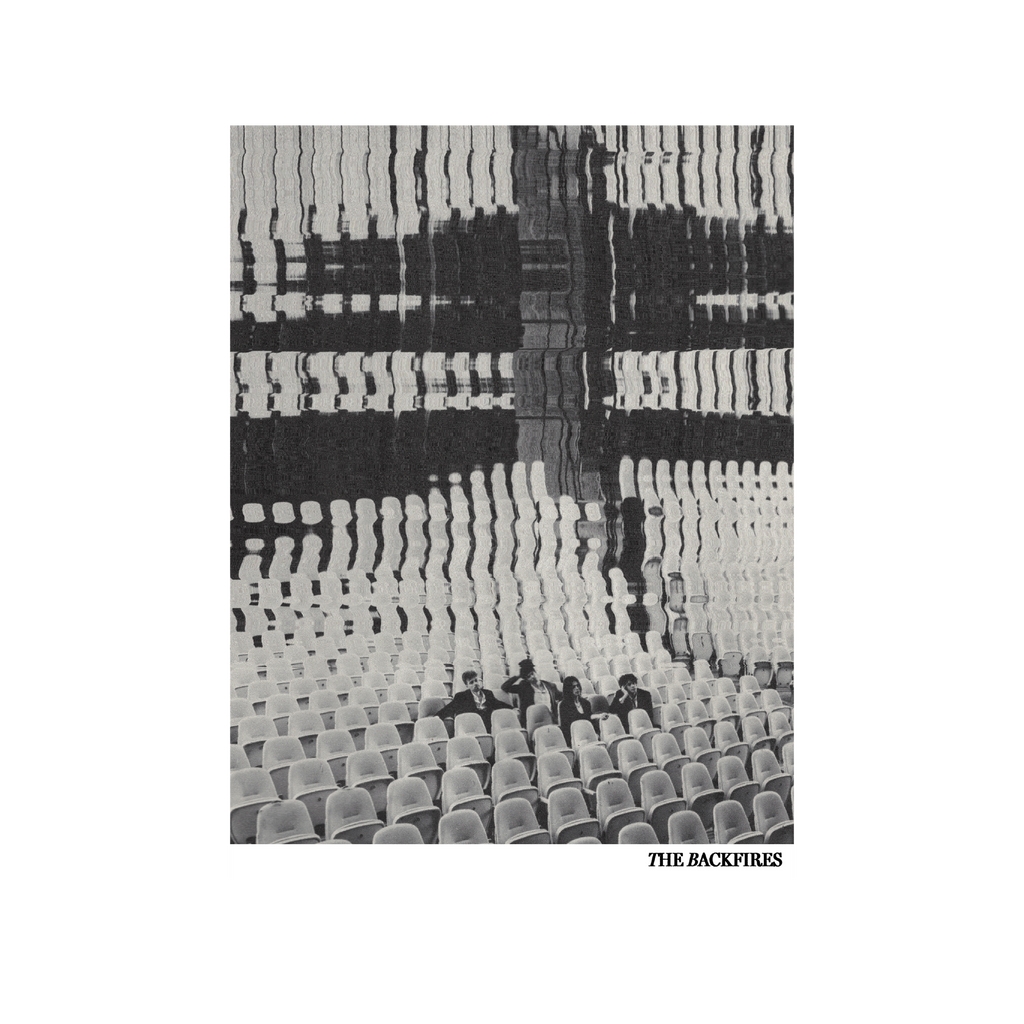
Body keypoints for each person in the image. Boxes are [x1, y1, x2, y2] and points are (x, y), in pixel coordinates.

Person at [429, 669, 507, 732]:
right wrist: (437, 717)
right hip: (472, 728)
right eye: (471, 682)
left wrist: (511, 708)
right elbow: (449, 708)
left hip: (488, 728)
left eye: (476, 680)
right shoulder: (461, 697)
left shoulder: (488, 693)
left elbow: (497, 704)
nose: (475, 684)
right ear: (467, 686)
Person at [501, 658, 561, 726]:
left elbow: (562, 696)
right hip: (534, 721)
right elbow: (505, 687)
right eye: (529, 676)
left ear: (536, 672)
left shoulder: (550, 686)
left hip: (551, 720)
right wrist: (518, 676)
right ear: (527, 680)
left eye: (532, 673)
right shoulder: (524, 687)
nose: (533, 677)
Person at [556, 676, 592, 744]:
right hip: (575, 738)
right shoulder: (564, 705)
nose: (577, 688)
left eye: (578, 686)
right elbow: (565, 728)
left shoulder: (586, 703)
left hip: (588, 735)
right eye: (573, 687)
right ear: (568, 689)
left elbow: (590, 719)